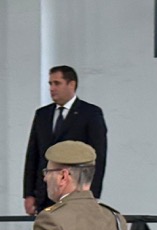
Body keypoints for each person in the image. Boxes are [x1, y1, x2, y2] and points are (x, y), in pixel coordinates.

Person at [23, 65, 108, 215]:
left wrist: (93, 193)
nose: (52, 88)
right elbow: (33, 155)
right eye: (50, 83)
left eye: (57, 83)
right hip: (45, 193)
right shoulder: (42, 115)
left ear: (72, 84)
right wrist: (29, 193)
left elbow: (98, 157)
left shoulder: (90, 113)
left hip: (76, 192)